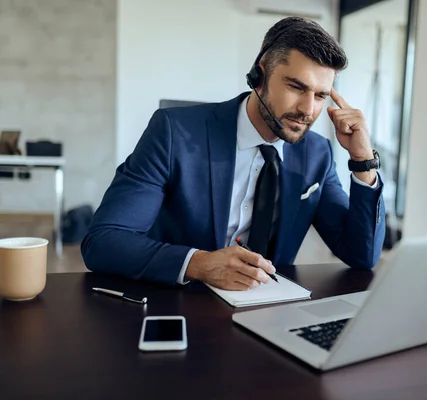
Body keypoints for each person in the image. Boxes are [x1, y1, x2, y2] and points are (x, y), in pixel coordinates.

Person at [81, 17, 385, 290]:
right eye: (296, 86)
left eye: (320, 95)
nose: (308, 110)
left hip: (268, 312)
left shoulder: (317, 154)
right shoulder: (175, 132)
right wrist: (199, 264)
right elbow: (104, 241)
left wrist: (363, 162)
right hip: (180, 305)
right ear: (259, 76)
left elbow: (362, 255)